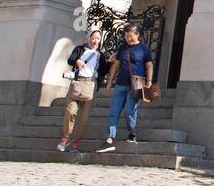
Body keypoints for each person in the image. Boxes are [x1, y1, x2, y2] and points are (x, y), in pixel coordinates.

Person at [99, 24, 154, 152]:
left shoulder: (143, 49)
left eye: (130, 35)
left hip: (136, 84)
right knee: (114, 110)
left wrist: (149, 80)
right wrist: (109, 81)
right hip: (120, 83)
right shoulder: (123, 48)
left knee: (130, 110)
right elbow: (116, 64)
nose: (127, 38)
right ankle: (110, 136)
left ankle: (132, 132)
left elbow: (149, 65)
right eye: (126, 35)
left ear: (137, 35)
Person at [57, 29, 102, 153]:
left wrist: (110, 62)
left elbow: (103, 71)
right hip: (78, 82)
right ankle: (65, 138)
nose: (95, 41)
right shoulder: (79, 49)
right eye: (93, 37)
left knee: (84, 118)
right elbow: (70, 60)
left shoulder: (100, 54)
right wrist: (77, 61)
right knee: (71, 110)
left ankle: (75, 143)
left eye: (98, 38)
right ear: (88, 38)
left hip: (91, 84)